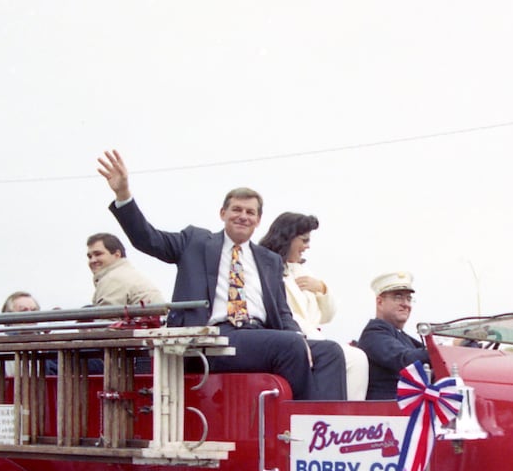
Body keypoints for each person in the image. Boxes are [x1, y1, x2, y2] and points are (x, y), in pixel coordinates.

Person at [96, 150, 345, 401]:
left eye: (250, 212)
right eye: (236, 209)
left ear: (258, 220)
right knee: (289, 346)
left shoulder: (269, 260)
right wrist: (123, 195)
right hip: (212, 338)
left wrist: (300, 339)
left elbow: (282, 313)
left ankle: (327, 429)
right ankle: (303, 424)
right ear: (222, 213)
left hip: (260, 335)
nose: (243, 216)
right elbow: (147, 239)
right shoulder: (195, 242)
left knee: (330, 352)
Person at [258, 212, 369, 400]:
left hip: (313, 336)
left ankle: (349, 417)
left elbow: (327, 315)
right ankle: (334, 417)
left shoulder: (303, 270)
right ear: (288, 238)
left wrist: (322, 289)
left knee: (357, 357)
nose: (307, 246)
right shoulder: (267, 267)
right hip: (291, 337)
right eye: (303, 240)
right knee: (351, 358)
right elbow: (284, 313)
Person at [358, 271, 430, 401]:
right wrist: (439, 352)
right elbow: (404, 360)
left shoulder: (404, 338)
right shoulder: (374, 333)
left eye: (408, 298)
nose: (406, 304)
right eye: (398, 297)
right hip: (385, 414)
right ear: (380, 302)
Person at [86, 232, 165, 307]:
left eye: (98, 254)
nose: (92, 260)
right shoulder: (127, 273)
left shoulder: (113, 278)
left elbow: (107, 318)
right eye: (89, 256)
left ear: (117, 255)